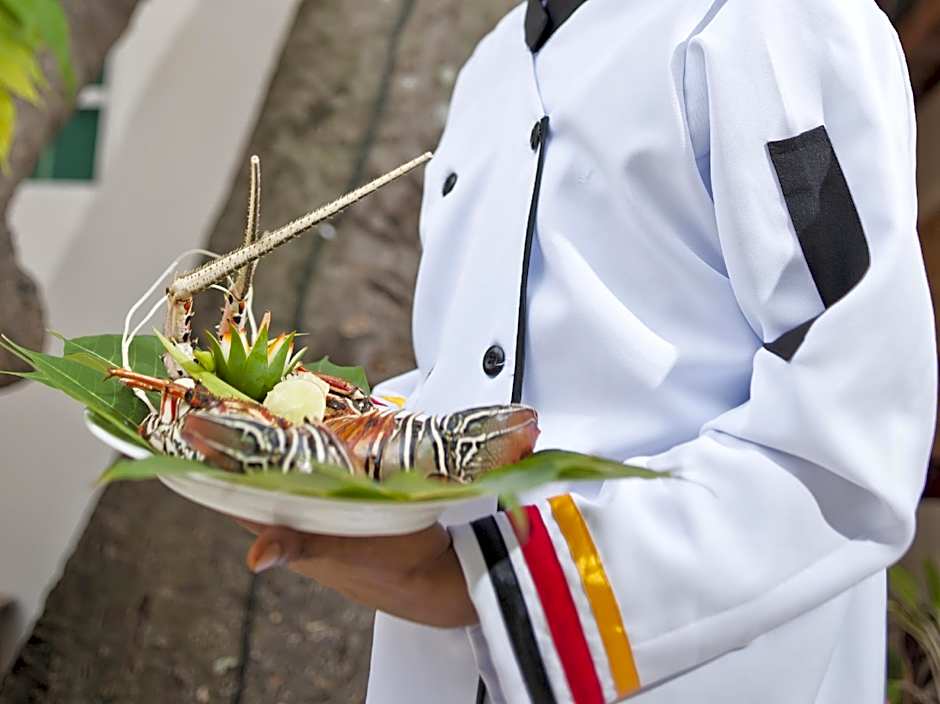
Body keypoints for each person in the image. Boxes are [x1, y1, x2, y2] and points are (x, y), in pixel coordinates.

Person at [240, 0, 938, 701]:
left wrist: (478, 585)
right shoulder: (493, 61)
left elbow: (852, 432)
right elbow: (483, 367)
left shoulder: (776, 20)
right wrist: (333, 446)